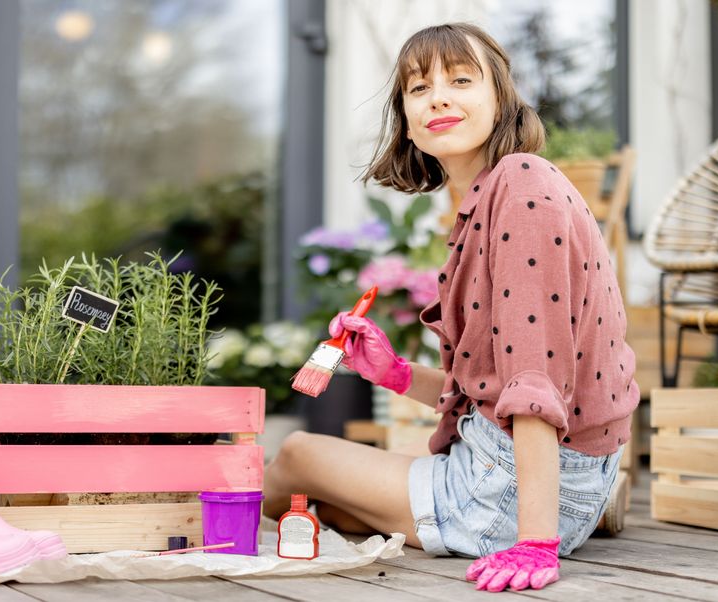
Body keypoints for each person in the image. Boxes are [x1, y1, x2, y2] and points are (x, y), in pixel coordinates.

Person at [263, 22, 638, 592]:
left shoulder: (521, 186)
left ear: (501, 101)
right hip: (544, 473)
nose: (438, 96)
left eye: (461, 80)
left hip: (511, 491)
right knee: (332, 509)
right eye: (419, 88)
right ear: (408, 125)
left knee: (294, 458)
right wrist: (393, 372)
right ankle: (586, 508)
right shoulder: (491, 199)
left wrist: (535, 543)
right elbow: (490, 380)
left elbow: (533, 376)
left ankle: (556, 520)